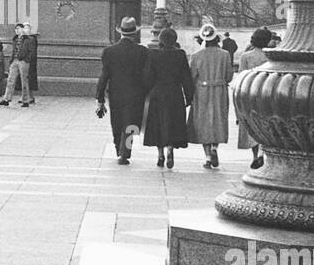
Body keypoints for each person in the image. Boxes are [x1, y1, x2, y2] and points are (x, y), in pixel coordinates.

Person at [96, 16, 149, 165]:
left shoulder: (109, 51)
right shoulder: (142, 51)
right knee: (131, 122)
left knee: (117, 121)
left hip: (116, 93)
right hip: (136, 93)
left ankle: (118, 149)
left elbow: (104, 76)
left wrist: (99, 98)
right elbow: (147, 75)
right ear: (135, 33)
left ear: (121, 33)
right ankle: (125, 151)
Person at [142, 27, 192, 169]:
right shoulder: (180, 55)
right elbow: (186, 77)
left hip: (158, 93)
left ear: (161, 40)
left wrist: (146, 93)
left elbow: (148, 77)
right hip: (175, 92)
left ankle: (160, 154)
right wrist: (189, 96)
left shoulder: (153, 55)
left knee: (158, 123)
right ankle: (170, 148)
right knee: (173, 122)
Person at [188, 24, 234, 169]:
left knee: (203, 122)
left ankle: (208, 156)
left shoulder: (196, 56)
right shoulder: (225, 54)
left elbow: (191, 76)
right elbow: (229, 76)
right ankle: (215, 147)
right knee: (219, 119)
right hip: (219, 90)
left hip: (202, 90)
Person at [237, 27, 272, 169]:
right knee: (265, 123)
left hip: (250, 93)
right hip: (267, 93)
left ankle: (255, 154)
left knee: (252, 123)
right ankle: (263, 153)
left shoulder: (246, 56)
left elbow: (240, 76)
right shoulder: (271, 56)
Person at [2, 23, 33, 106]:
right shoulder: (15, 39)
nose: (16, 30)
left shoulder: (28, 39)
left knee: (24, 80)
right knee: (10, 79)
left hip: (23, 61)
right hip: (15, 60)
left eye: (18, 28)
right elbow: (13, 50)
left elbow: (31, 51)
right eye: (16, 29)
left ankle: (25, 100)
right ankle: (6, 98)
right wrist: (11, 60)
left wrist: (27, 60)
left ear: (22, 29)